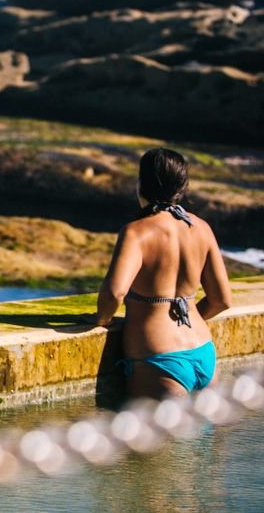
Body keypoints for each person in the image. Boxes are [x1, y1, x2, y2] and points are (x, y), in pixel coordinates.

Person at [94, 148, 232, 398]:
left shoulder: (136, 232)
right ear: (182, 186)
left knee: (157, 437)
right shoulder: (201, 228)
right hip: (203, 350)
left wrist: (101, 320)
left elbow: (114, 293)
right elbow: (222, 300)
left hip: (159, 358)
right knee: (202, 437)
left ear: (141, 185)